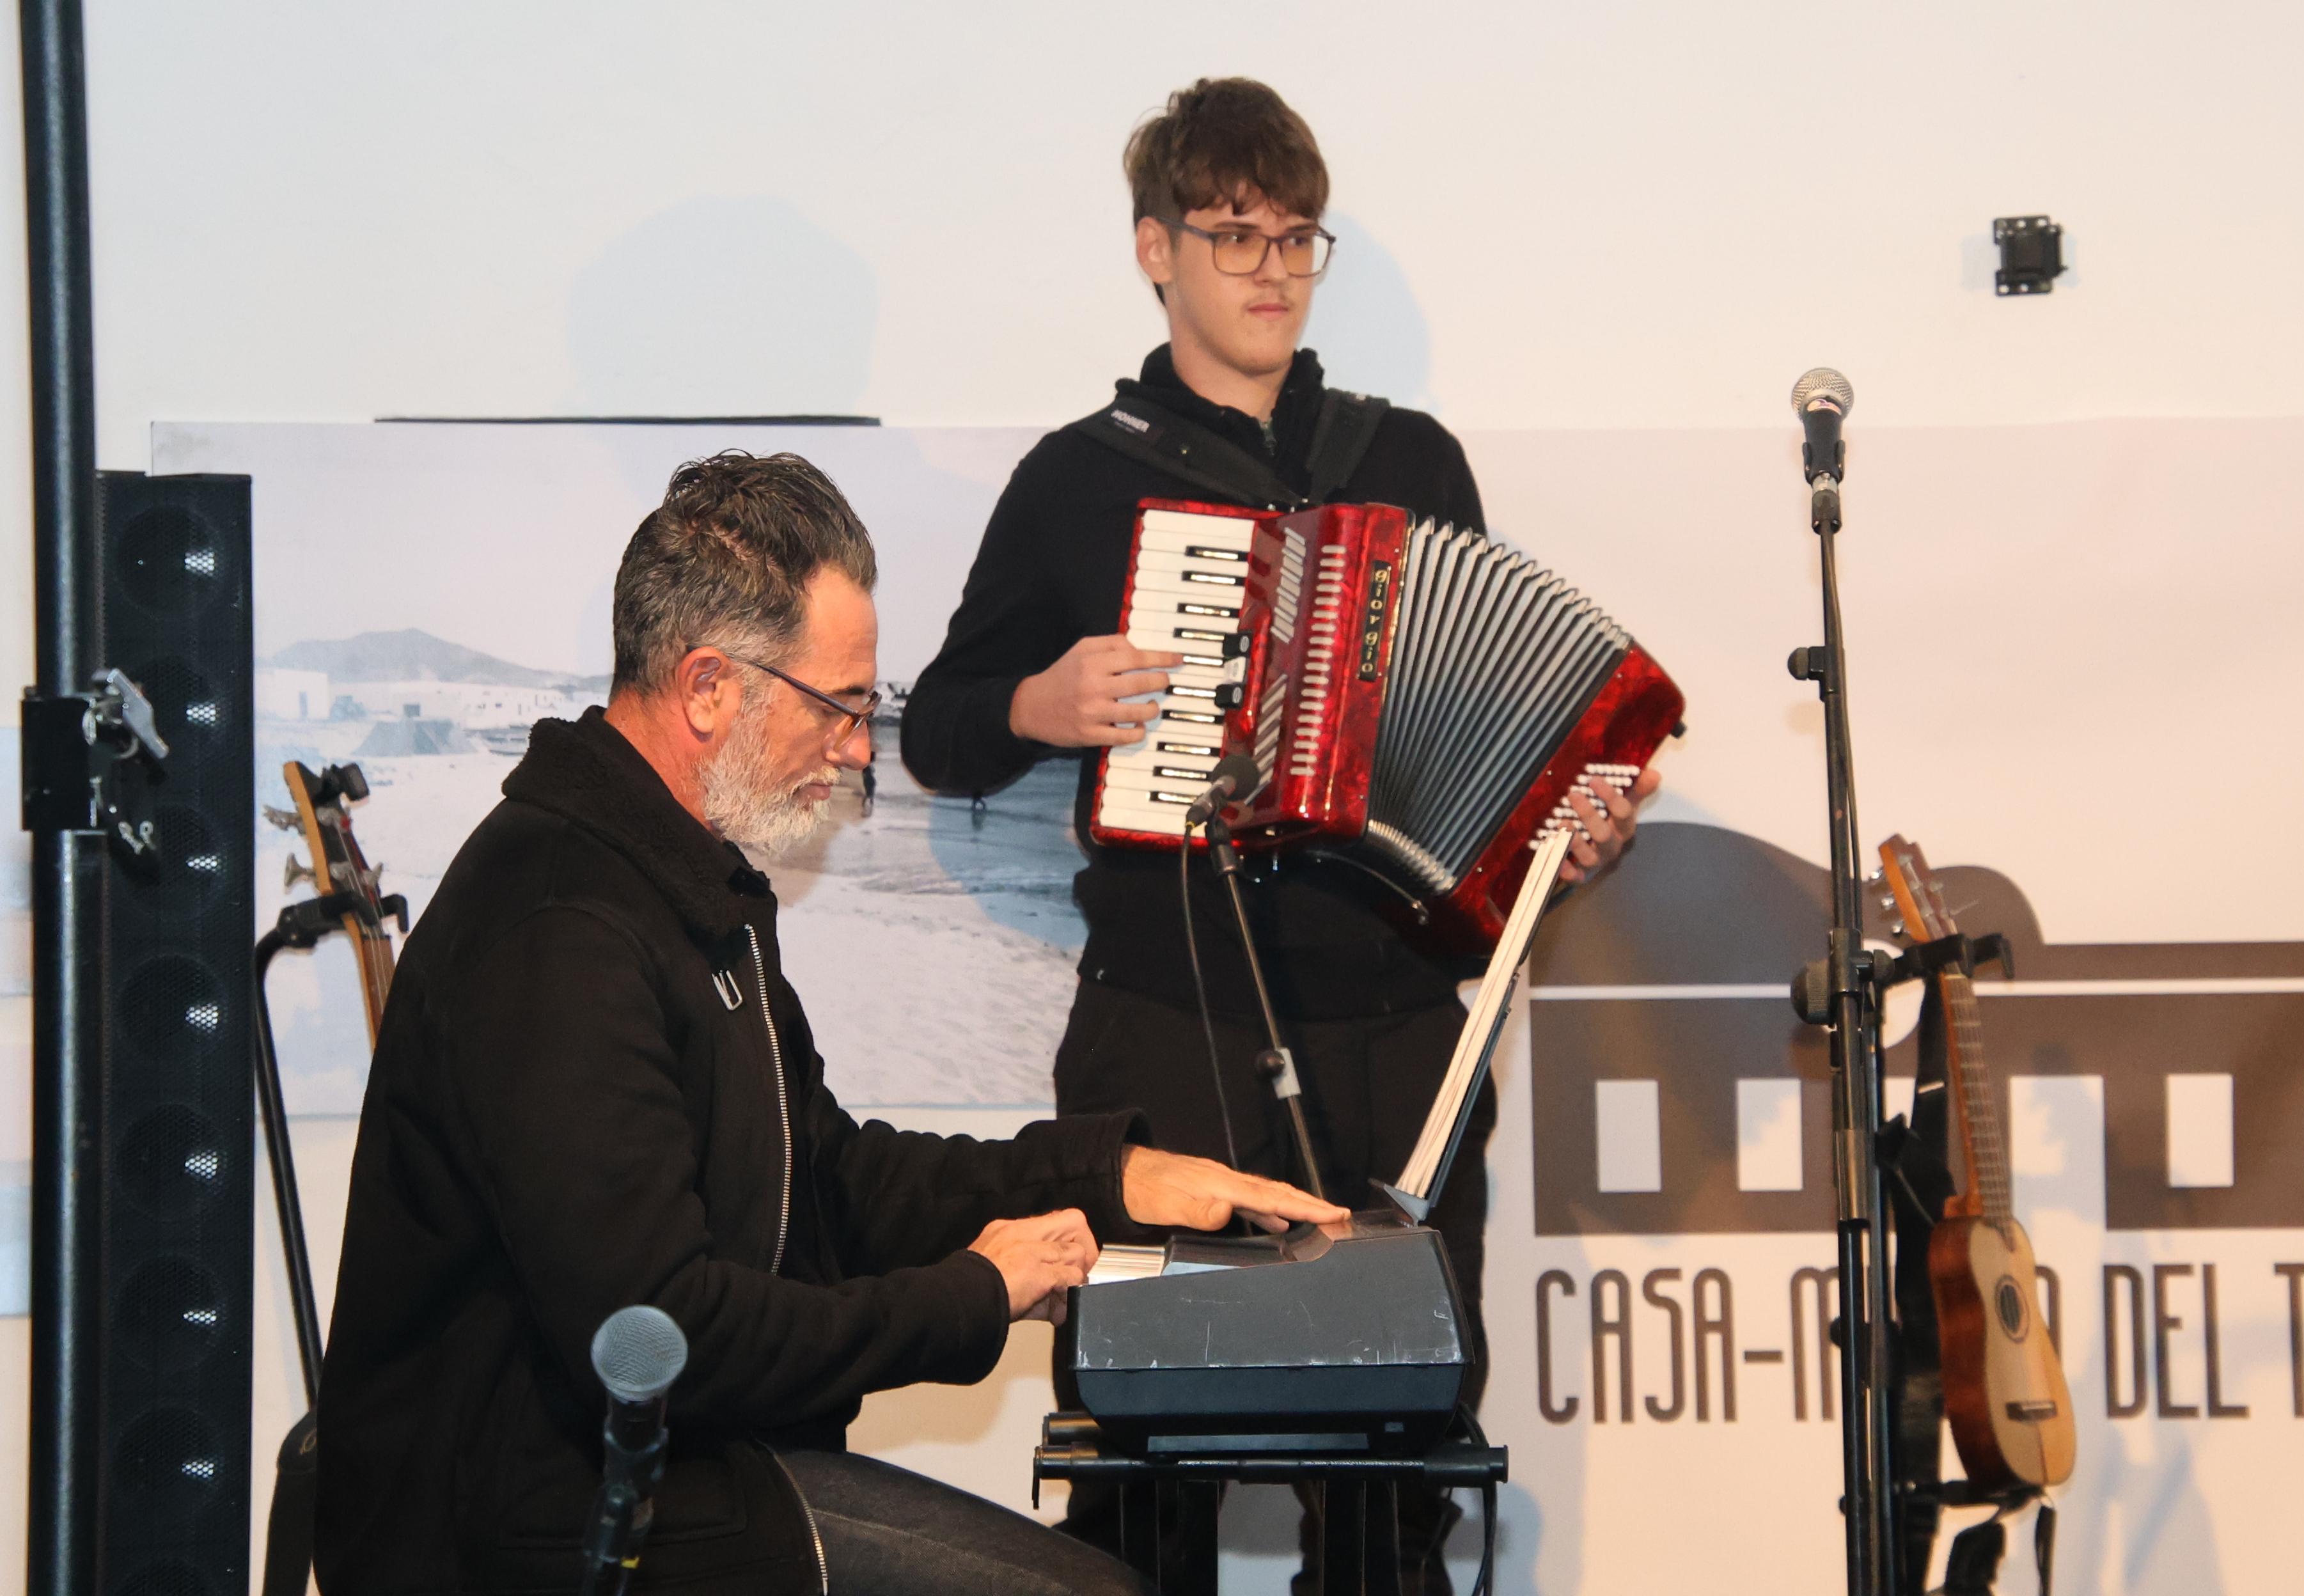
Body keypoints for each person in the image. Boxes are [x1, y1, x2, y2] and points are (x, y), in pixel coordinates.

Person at [312, 450, 1343, 1596]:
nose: (861, 746)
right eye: (840, 706)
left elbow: (831, 1182)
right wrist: (972, 1291)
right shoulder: (563, 928)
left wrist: (1106, 1175)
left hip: (666, 1476)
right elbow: (666, 1336)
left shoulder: (690, 885)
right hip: (529, 1533)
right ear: (708, 686)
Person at [900, 77, 1657, 1593]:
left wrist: (1565, 827)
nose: (1266, 268)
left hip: (1396, 1039)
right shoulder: (1079, 478)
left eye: (1295, 238)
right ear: (1153, 250)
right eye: (1232, 233)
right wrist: (1042, 703)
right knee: (1138, 1471)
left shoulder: (1409, 461)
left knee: (1399, 1478)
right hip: (1162, 1031)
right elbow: (938, 729)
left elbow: (1489, 727)